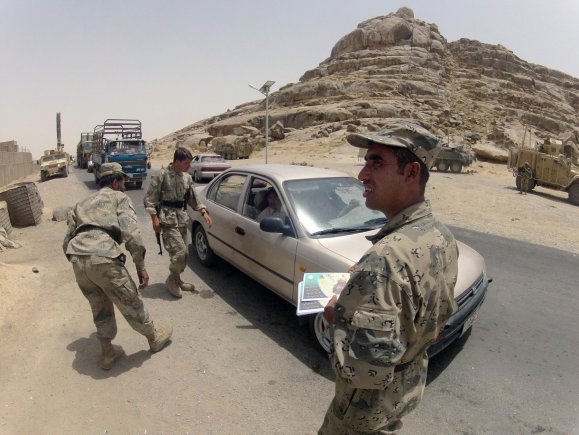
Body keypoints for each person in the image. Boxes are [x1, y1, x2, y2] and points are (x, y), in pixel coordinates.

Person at [319, 120, 459, 434]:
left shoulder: (384, 260)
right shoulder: (441, 237)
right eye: (365, 162)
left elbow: (362, 373)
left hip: (359, 418)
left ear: (410, 173)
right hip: (401, 397)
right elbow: (435, 327)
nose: (362, 175)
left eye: (376, 162)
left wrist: (335, 316)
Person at [63, 162, 173, 371]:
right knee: (130, 300)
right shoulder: (119, 198)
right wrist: (140, 267)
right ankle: (153, 337)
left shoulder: (82, 203)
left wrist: (79, 261)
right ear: (115, 182)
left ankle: (107, 353)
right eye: (123, 182)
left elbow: (66, 240)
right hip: (103, 256)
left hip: (78, 257)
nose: (125, 187)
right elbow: (132, 235)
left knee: (99, 305)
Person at [144, 147, 213, 298]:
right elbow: (149, 200)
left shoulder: (187, 177)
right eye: (187, 163)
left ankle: (177, 279)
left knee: (185, 254)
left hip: (182, 219)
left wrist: (203, 211)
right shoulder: (162, 175)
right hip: (167, 220)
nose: (189, 166)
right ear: (177, 161)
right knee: (179, 253)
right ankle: (171, 280)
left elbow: (193, 199)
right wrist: (154, 219)